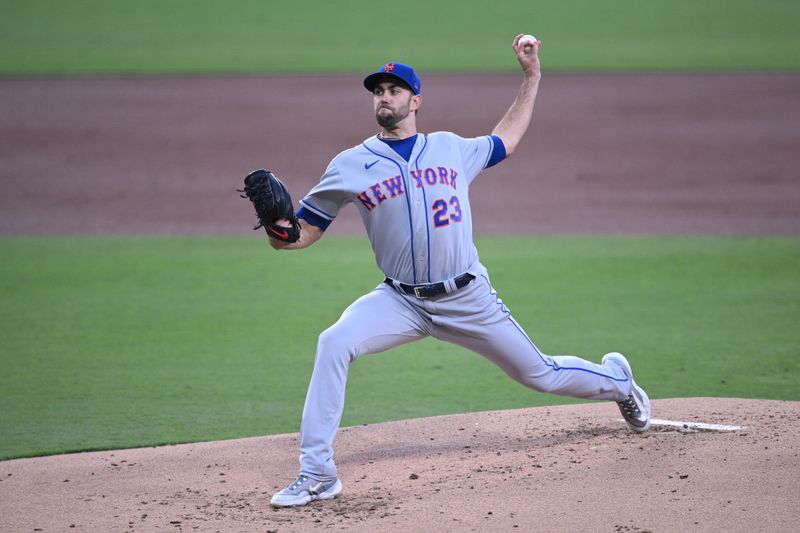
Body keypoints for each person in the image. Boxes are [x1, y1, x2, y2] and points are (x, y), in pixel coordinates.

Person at [266, 34, 651, 508]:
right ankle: (317, 472)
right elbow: (304, 231)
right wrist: (279, 231)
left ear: (415, 100)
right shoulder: (351, 164)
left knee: (541, 375)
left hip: (468, 298)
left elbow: (506, 139)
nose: (384, 97)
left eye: (393, 89)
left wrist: (531, 77)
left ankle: (618, 382)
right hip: (401, 301)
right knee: (334, 342)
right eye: (377, 91)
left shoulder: (450, 148)